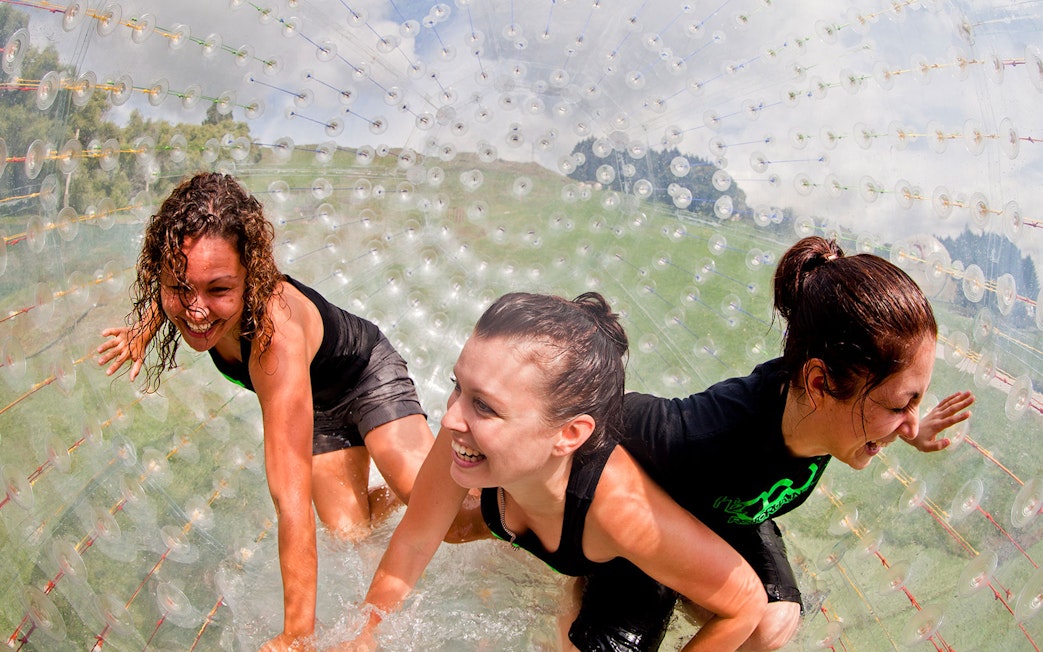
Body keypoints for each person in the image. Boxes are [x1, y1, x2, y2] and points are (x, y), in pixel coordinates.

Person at [573, 235, 975, 651]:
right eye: (898, 407)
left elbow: (884, 410)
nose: (909, 425)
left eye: (916, 404)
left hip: (730, 513)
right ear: (820, 384)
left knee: (774, 621)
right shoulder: (704, 433)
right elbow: (615, 417)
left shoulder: (827, 408)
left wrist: (910, 428)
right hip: (659, 509)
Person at [96, 172, 439, 651]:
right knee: (350, 531)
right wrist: (144, 329)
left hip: (363, 374)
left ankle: (507, 498)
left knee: (444, 512)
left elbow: (290, 500)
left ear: (250, 276)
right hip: (314, 406)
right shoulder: (186, 288)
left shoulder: (272, 339)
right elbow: (176, 286)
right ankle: (408, 484)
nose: (196, 312)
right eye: (181, 288)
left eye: (219, 291)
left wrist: (297, 636)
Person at [352, 291, 768, 651]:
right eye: (458, 385)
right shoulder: (465, 429)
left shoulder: (624, 512)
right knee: (448, 525)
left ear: (569, 434)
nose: (450, 419)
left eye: (485, 406)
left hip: (634, 561)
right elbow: (415, 540)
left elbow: (745, 604)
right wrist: (364, 635)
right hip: (552, 516)